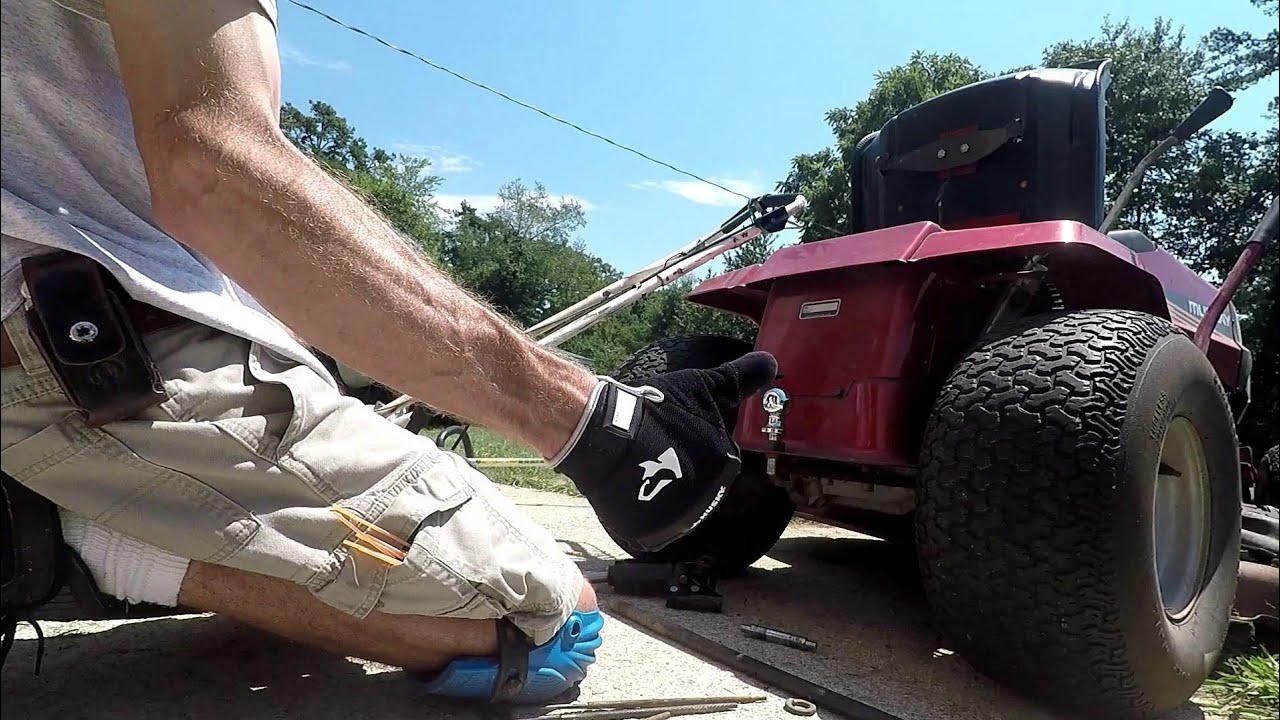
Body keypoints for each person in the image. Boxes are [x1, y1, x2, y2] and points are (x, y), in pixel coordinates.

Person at [0, 0, 775, 702]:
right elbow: (216, 169)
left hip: (68, 338)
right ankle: (82, 531)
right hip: (85, 359)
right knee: (549, 622)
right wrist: (600, 424)